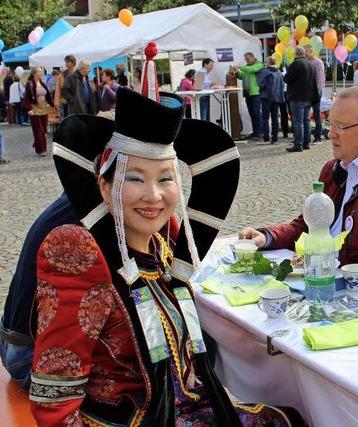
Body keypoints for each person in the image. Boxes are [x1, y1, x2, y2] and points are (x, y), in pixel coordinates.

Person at [28, 89, 301, 425]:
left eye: (166, 179)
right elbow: (54, 398)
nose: (153, 195)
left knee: (288, 416)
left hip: (185, 406)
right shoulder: (77, 249)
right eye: (135, 178)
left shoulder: (161, 242)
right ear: (104, 186)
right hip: (133, 419)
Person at [239, 87, 358, 286]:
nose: (330, 134)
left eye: (341, 127)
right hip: (323, 279)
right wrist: (267, 236)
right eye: (330, 124)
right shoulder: (334, 167)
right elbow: (308, 227)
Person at [0, 194, 78, 388]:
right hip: (30, 358)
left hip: (11, 340)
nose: (153, 195)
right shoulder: (94, 217)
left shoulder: (76, 199)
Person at [283, 46, 318, 152]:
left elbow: (286, 78)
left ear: (295, 54)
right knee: (306, 120)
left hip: (297, 97)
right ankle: (306, 143)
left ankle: (298, 144)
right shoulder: (311, 64)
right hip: (308, 97)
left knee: (298, 121)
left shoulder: (295, 64)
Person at [24, 67, 54, 156]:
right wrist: (29, 109)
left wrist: (52, 105)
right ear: (34, 73)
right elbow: (26, 98)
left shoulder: (42, 83)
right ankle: (42, 150)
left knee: (44, 129)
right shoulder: (29, 84)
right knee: (39, 130)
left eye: (41, 72)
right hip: (35, 108)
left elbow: (48, 95)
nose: (41, 73)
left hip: (44, 108)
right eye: (39, 72)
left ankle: (37, 144)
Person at [233, 52, 264, 138]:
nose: (247, 60)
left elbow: (252, 70)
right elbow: (242, 76)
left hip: (256, 93)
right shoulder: (247, 67)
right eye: (246, 59)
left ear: (252, 57)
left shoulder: (259, 65)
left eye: (247, 59)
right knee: (252, 113)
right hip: (247, 93)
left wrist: (240, 67)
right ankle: (255, 132)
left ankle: (261, 132)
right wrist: (237, 73)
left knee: (256, 113)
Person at [259, 56, 284, 144]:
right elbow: (282, 85)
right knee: (275, 118)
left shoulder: (265, 72)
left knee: (265, 118)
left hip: (266, 98)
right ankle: (275, 138)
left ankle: (266, 138)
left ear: (269, 62)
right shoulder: (279, 72)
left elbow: (261, 85)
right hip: (276, 98)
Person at [304, 45, 325, 144]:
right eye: (304, 52)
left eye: (306, 51)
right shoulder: (306, 62)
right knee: (307, 115)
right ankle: (306, 138)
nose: (305, 54)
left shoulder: (318, 62)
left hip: (316, 92)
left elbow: (320, 79)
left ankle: (318, 137)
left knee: (317, 115)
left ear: (311, 52)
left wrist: (318, 92)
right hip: (307, 93)